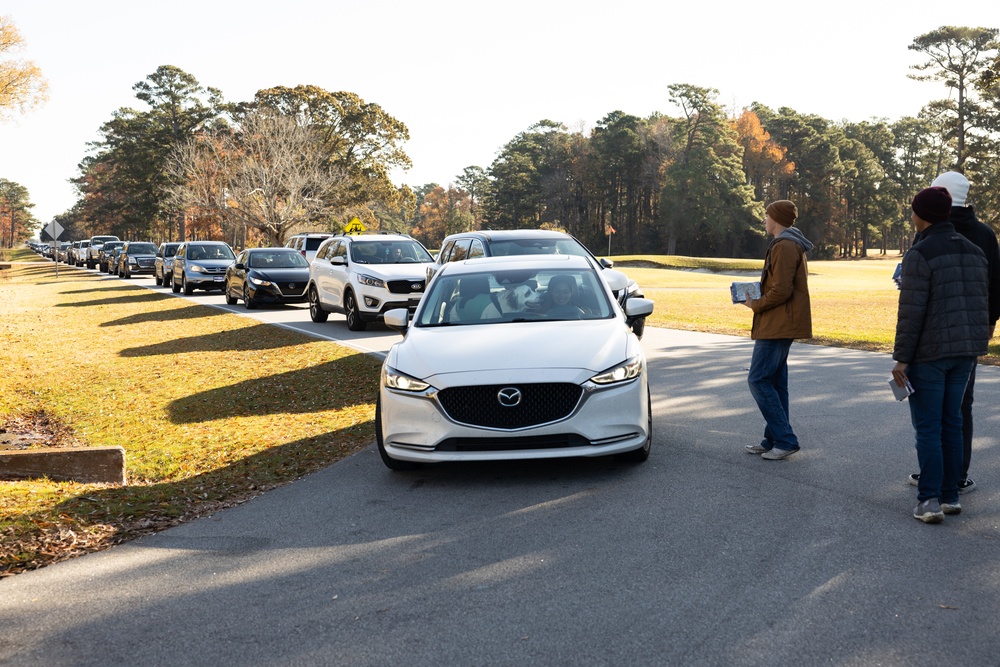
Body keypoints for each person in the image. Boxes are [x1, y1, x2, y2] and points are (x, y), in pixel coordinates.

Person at [892, 186, 989, 523]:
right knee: (952, 422)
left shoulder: (919, 254)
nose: (912, 215)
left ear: (924, 215)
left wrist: (901, 359)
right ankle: (949, 496)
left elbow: (911, 313)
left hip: (930, 352)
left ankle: (929, 500)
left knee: (929, 428)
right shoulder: (975, 251)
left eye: (914, 210)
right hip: (966, 352)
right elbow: (982, 306)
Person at [906, 171, 999, 495]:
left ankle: (932, 482)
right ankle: (955, 478)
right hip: (970, 336)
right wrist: (987, 324)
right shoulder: (984, 236)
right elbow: (993, 285)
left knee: (929, 417)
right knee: (960, 409)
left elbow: (914, 300)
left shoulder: (926, 237)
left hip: (931, 340)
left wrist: (902, 357)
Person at [742, 200, 813, 460]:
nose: (764, 220)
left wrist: (756, 304)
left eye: (767, 216)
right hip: (779, 322)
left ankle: (785, 440)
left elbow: (782, 290)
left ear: (776, 218)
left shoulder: (784, 245)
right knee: (775, 382)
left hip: (778, 324)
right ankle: (773, 439)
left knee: (758, 379)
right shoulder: (787, 243)